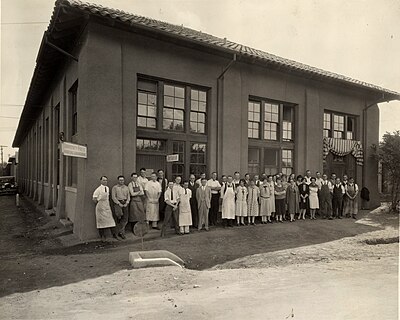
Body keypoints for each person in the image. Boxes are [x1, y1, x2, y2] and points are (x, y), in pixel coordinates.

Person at [92, 176, 118, 242]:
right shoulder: (98, 189)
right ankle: (102, 237)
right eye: (103, 180)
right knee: (101, 223)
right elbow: (94, 199)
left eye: (106, 180)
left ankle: (114, 235)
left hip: (107, 206)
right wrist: (99, 204)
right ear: (101, 181)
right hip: (100, 207)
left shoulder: (107, 188)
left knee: (111, 222)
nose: (105, 182)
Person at [112, 175, 130, 239]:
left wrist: (126, 203)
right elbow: (113, 197)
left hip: (125, 203)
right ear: (118, 180)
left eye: (122, 180)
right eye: (120, 180)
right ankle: (116, 233)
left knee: (125, 219)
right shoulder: (115, 188)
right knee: (118, 218)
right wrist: (119, 203)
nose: (121, 181)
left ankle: (121, 232)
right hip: (118, 203)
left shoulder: (126, 187)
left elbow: (128, 196)